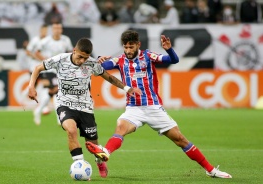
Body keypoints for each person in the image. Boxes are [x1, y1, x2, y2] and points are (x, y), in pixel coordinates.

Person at [85, 30, 232, 179]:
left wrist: (169, 49)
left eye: (131, 47)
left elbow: (173, 60)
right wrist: (98, 59)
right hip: (133, 108)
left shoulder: (148, 56)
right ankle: (105, 153)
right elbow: (102, 67)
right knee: (121, 128)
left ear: (138, 45)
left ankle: (210, 170)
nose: (128, 50)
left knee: (180, 140)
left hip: (154, 108)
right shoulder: (120, 60)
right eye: (126, 47)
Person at [27, 38, 142, 178]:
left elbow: (109, 77)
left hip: (85, 107)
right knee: (71, 129)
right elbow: (38, 67)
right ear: (74, 50)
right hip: (65, 104)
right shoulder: (60, 59)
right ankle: (79, 165)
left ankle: (99, 161)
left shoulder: (92, 63)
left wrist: (127, 88)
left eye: (85, 58)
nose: (82, 61)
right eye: (80, 57)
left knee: (92, 143)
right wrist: (31, 86)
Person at [33, 22, 73, 125]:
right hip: (48, 70)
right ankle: (59, 118)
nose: (57, 30)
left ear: (61, 29)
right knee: (55, 91)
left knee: (52, 92)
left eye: (59, 28)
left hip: (60, 70)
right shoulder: (45, 41)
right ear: (52, 30)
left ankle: (38, 111)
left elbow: (70, 53)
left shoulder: (66, 40)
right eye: (55, 28)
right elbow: (37, 52)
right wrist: (47, 62)